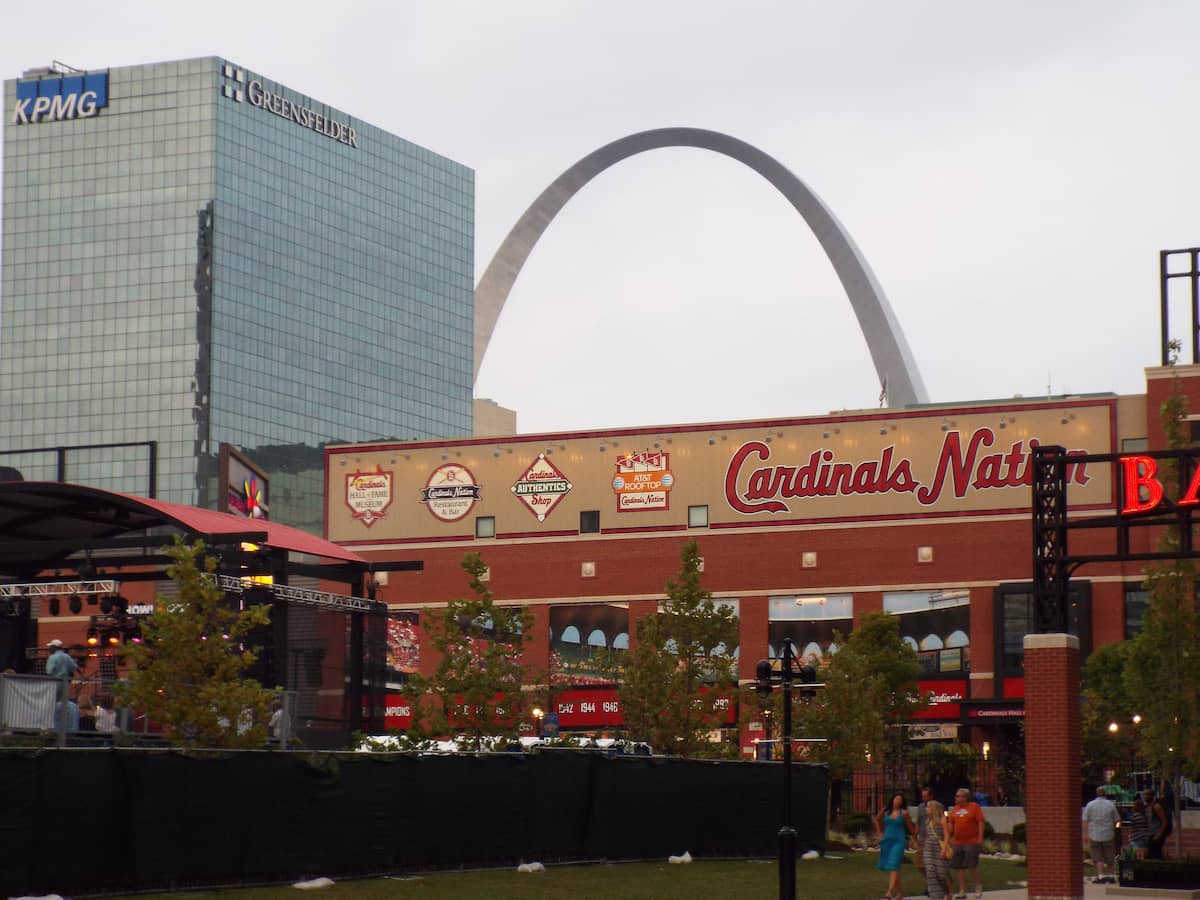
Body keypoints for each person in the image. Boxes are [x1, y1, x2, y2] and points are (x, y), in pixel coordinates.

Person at [875, 792, 916, 900]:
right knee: (893, 867)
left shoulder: (904, 813)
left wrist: (914, 838)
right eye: (896, 798)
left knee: (894, 864)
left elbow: (911, 828)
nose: (897, 801)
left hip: (899, 841)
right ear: (892, 799)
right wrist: (879, 833)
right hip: (887, 840)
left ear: (902, 802)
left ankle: (889, 892)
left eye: (900, 799)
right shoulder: (886, 811)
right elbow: (877, 820)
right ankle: (900, 893)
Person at [949, 786, 985, 898]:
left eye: (958, 796)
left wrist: (980, 837)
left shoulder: (974, 807)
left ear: (965, 797)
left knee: (971, 865)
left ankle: (978, 887)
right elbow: (951, 823)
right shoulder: (954, 809)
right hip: (958, 842)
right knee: (959, 867)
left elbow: (980, 822)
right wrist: (949, 836)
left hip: (972, 841)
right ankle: (962, 891)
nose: (955, 798)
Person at [1082, 785, 1119, 883]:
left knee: (1097, 856)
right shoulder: (1111, 805)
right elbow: (1118, 820)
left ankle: (1101, 875)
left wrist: (1085, 834)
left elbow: (1085, 820)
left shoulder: (1090, 805)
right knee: (1110, 855)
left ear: (1096, 794)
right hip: (1108, 833)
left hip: (1094, 833)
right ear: (1105, 794)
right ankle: (1111, 875)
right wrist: (1115, 828)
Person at [922, 798, 955, 900]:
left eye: (928, 807)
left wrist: (944, 849)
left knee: (941, 873)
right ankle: (935, 895)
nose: (926, 809)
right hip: (929, 848)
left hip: (939, 847)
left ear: (933, 808)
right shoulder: (928, 820)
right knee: (930, 871)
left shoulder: (942, 819)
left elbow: (947, 834)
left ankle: (949, 891)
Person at [1146, 789, 1171, 859]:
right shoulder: (1148, 806)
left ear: (1152, 796)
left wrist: (1159, 833)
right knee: (1151, 853)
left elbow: (1164, 820)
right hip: (1150, 833)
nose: (1145, 797)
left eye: (1147, 795)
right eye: (1145, 795)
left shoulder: (1156, 806)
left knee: (1156, 853)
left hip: (1156, 833)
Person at [1128, 795, 1151, 860]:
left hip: (1137, 836)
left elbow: (1132, 826)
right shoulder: (1146, 816)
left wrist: (1130, 835)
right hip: (1145, 835)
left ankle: (1139, 863)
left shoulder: (1134, 816)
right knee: (1144, 850)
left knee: (1138, 851)